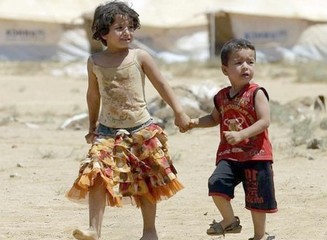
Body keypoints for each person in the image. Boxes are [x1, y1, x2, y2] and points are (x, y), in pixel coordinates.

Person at [66, 1, 191, 240]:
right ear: (103, 32)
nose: (127, 32)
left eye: (131, 27)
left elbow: (162, 84)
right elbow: (93, 95)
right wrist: (92, 126)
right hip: (107, 131)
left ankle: (149, 231)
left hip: (141, 129)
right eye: (120, 27)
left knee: (146, 179)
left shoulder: (139, 57)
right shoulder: (95, 61)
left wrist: (179, 112)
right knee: (96, 173)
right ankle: (94, 229)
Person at [186, 38, 278, 240]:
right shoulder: (221, 97)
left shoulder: (257, 93)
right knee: (216, 183)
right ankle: (229, 221)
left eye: (250, 62)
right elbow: (213, 118)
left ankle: (259, 236)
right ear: (224, 69)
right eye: (238, 62)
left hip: (257, 156)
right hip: (230, 156)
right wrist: (193, 122)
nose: (245, 66)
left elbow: (264, 121)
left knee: (257, 198)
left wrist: (242, 134)